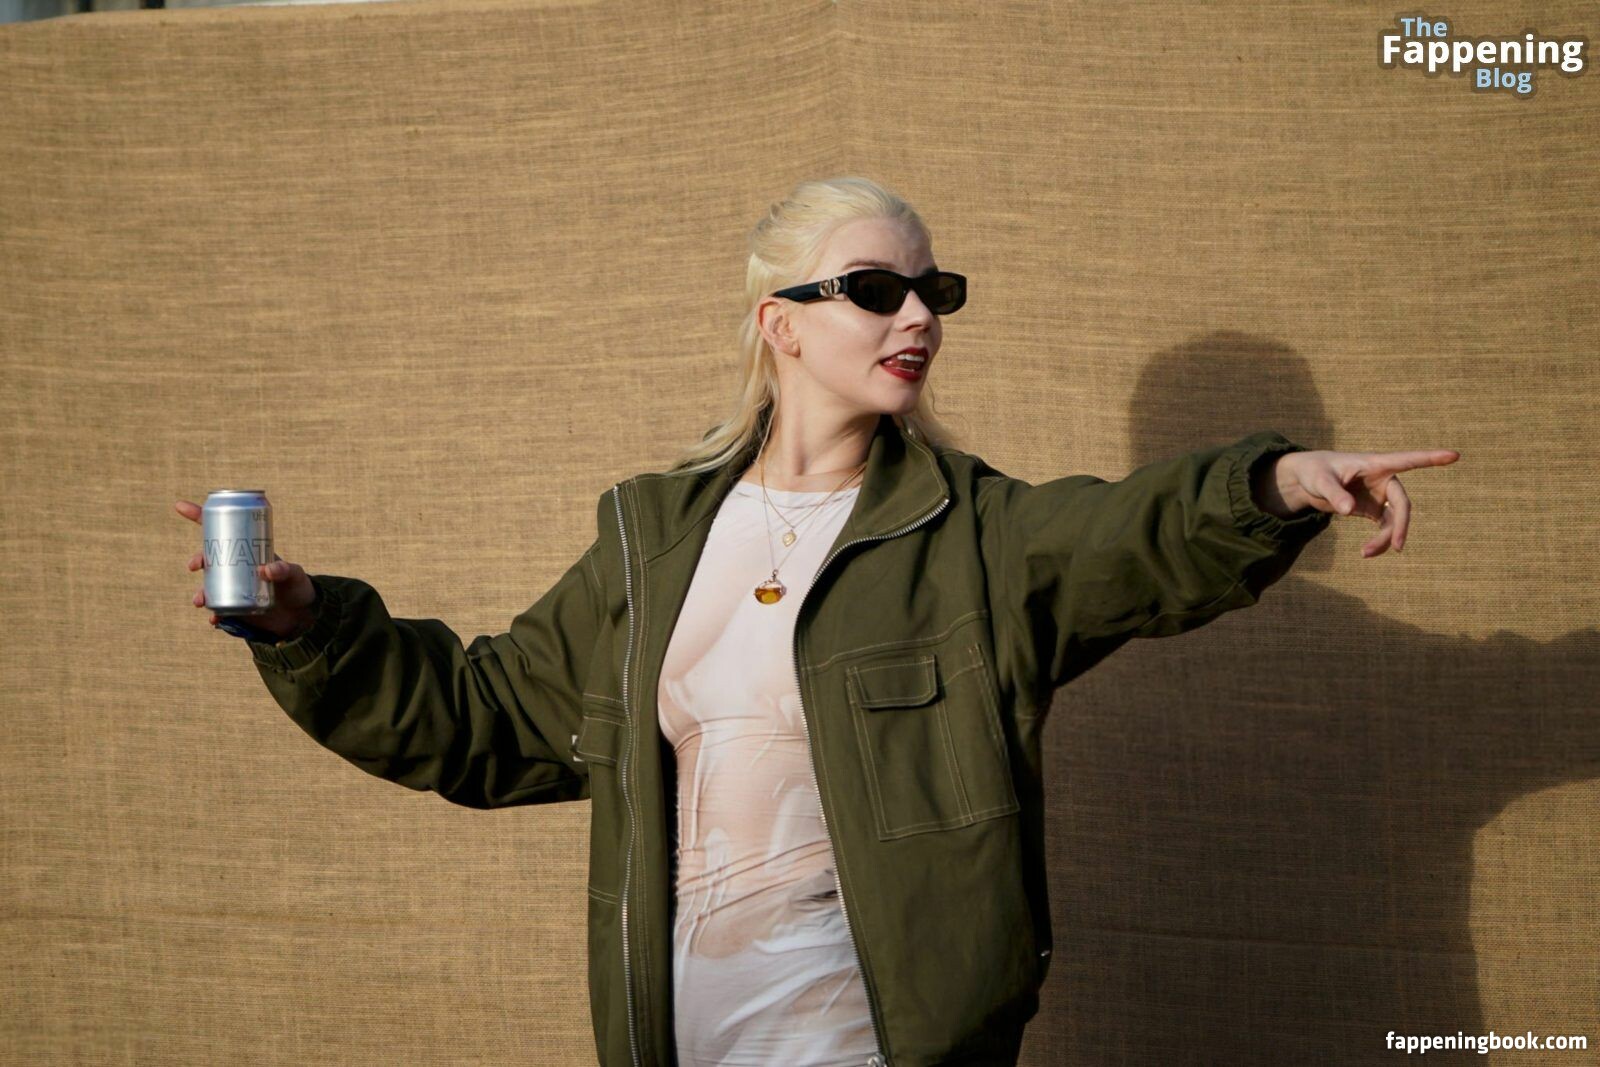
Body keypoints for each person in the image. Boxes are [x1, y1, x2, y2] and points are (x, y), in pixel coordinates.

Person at [175, 176, 1459, 1067]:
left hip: (875, 1038)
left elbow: (1132, 531)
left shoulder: (976, 533)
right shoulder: (652, 539)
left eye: (932, 288)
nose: (918, 315)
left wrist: (1272, 481)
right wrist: (309, 627)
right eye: (873, 286)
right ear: (777, 322)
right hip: (684, 1031)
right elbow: (488, 719)